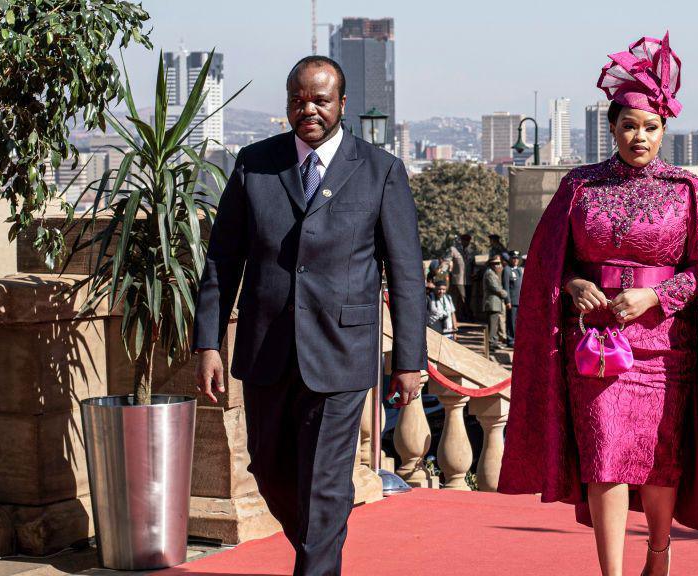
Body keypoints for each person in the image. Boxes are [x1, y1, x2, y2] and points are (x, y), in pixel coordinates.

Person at [498, 34, 698, 576]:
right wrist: (574, 284)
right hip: (596, 349)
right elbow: (544, 262)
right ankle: (611, 572)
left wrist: (657, 293)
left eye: (650, 128)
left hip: (662, 349)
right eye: (629, 126)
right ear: (611, 128)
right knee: (604, 461)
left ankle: (658, 551)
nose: (639, 136)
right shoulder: (579, 186)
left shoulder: (687, 189)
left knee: (659, 463)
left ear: (664, 132)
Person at [192, 56, 426, 576]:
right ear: (287, 105)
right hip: (265, 351)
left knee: (323, 484)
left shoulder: (381, 170)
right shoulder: (254, 164)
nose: (309, 109)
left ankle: (318, 563)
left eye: (320, 99)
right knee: (270, 471)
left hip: (341, 356)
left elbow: (406, 273)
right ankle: (319, 548)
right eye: (299, 100)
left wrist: (410, 359)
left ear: (342, 103)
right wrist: (208, 342)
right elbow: (222, 259)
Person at [483, 254, 509, 350]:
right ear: (491, 264)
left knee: (495, 325)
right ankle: (490, 343)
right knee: (492, 325)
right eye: (495, 263)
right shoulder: (489, 273)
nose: (498, 265)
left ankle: (493, 341)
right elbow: (495, 287)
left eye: (499, 263)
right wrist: (505, 294)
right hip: (492, 303)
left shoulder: (494, 273)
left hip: (496, 303)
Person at [449, 233, 475, 321]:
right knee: (461, 297)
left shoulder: (471, 252)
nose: (466, 242)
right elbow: (448, 261)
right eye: (464, 240)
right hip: (458, 279)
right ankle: (460, 316)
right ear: (461, 241)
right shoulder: (455, 250)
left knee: (468, 299)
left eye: (468, 241)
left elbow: (473, 264)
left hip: (468, 279)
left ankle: (465, 316)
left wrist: (474, 273)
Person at [502, 250, 524, 346]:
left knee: (518, 322)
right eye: (513, 258)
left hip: (520, 300)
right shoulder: (507, 270)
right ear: (510, 259)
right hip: (512, 301)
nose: (515, 260)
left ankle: (517, 339)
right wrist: (508, 301)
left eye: (517, 258)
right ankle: (511, 340)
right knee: (511, 321)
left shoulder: (519, 269)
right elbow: (506, 287)